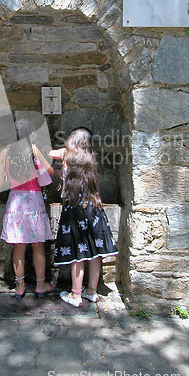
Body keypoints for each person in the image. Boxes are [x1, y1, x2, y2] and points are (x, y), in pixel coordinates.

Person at [49, 128, 118, 307]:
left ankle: (75, 295)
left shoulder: (66, 156)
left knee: (78, 254)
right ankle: (91, 292)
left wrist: (66, 150)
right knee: (95, 252)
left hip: (74, 209)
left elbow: (50, 153)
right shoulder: (90, 158)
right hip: (93, 208)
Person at [0, 117, 55, 299]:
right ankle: (40, 284)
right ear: (30, 133)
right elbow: (50, 172)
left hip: (15, 203)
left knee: (19, 247)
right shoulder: (33, 150)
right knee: (38, 246)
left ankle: (20, 286)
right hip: (34, 202)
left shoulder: (4, 153)